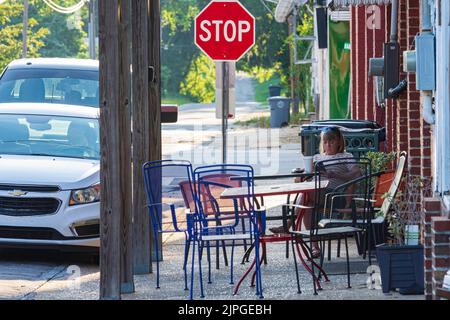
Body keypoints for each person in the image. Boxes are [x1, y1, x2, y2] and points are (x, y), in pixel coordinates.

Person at [270, 126, 361, 258]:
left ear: (339, 142)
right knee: (307, 206)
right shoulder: (318, 157)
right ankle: (315, 248)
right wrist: (303, 175)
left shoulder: (346, 156)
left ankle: (288, 224)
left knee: (306, 194)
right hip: (317, 193)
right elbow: (303, 178)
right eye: (325, 142)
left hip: (335, 196)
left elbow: (356, 173)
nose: (328, 145)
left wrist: (336, 175)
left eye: (331, 141)